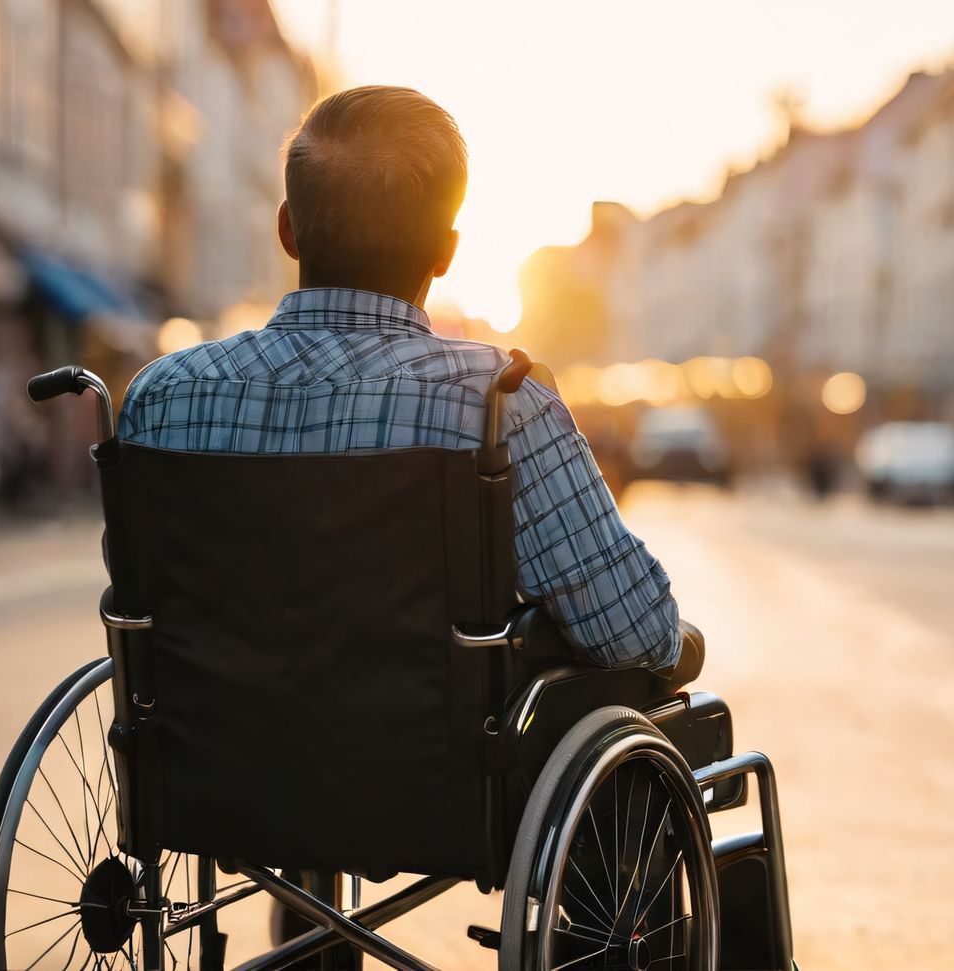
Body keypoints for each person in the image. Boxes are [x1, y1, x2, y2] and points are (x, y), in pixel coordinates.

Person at [117, 85, 700, 687]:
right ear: (446, 253)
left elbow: (139, 601)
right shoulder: (497, 404)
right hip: (428, 767)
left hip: (210, 762)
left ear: (287, 231)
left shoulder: (162, 396)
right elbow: (637, 636)